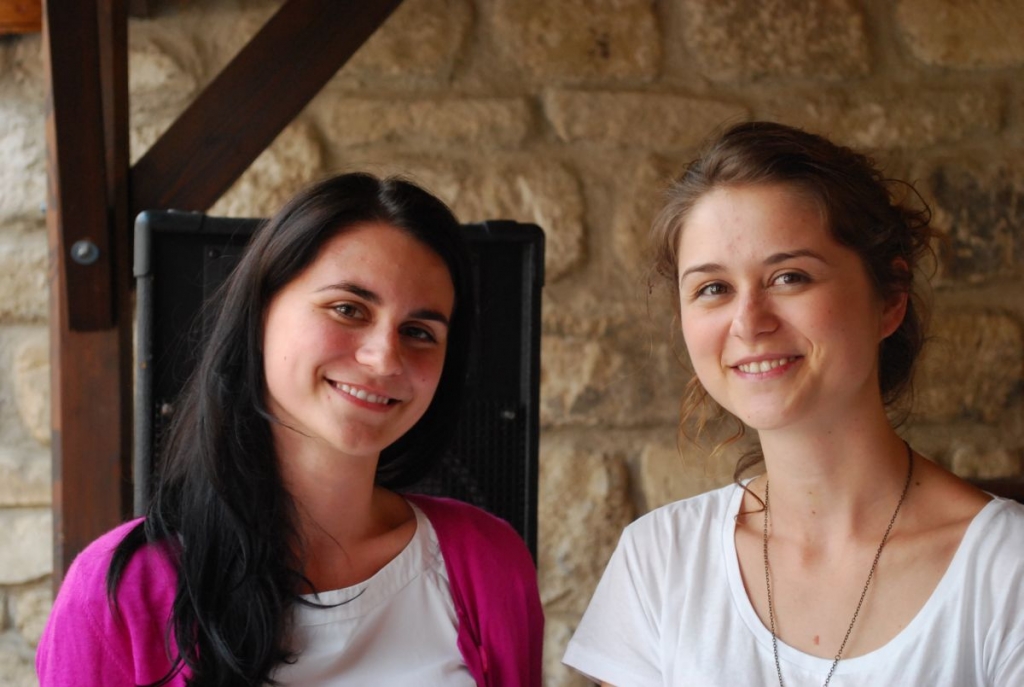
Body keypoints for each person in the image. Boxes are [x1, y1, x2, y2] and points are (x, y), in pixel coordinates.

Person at [563, 121, 1024, 686]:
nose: (748, 322)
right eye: (713, 288)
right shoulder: (660, 560)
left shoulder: (1007, 570)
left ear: (890, 299)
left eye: (789, 277)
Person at [37, 173, 543, 686]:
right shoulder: (118, 592)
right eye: (348, 309)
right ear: (260, 315)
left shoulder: (489, 563)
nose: (384, 359)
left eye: (419, 332)